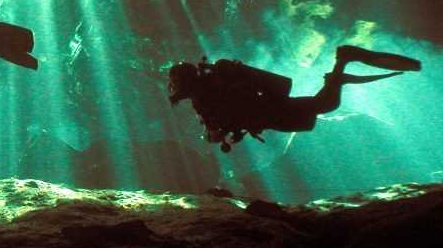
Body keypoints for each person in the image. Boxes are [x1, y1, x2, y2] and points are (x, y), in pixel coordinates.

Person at [168, 45, 421, 152]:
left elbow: (216, 130)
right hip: (273, 112)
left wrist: (215, 133)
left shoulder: (209, 93)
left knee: (327, 105)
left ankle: (342, 61)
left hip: (275, 109)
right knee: (323, 106)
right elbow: (218, 126)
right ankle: (339, 71)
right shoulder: (208, 94)